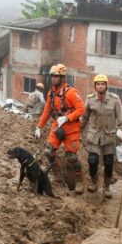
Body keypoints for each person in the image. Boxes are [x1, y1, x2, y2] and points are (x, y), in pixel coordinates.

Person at [35, 64, 86, 193]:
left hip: (71, 128)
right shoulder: (51, 93)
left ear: (62, 77)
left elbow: (81, 109)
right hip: (57, 126)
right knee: (48, 151)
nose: (53, 78)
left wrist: (68, 117)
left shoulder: (71, 92)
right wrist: (39, 127)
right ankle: (58, 177)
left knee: (72, 157)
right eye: (52, 76)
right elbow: (46, 111)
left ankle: (79, 181)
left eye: (56, 76)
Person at [81, 74, 122, 198]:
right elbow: (85, 117)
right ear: (95, 86)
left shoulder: (115, 99)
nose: (100, 86)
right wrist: (79, 130)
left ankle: (106, 187)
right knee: (92, 160)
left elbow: (121, 117)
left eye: (103, 84)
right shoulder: (90, 99)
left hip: (109, 136)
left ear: (106, 86)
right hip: (94, 135)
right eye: (98, 84)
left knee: (108, 162)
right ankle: (94, 182)